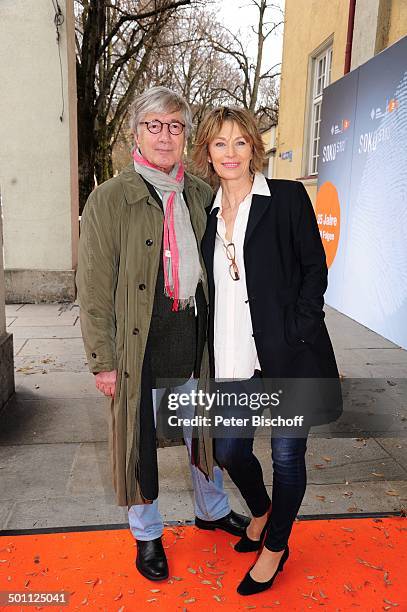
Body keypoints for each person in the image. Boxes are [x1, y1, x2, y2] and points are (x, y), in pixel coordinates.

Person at [76, 88, 249, 583]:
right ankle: (147, 533)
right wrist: (102, 360)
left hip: (194, 343)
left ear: (185, 134)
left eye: (175, 126)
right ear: (136, 132)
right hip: (138, 349)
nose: (165, 135)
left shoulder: (200, 192)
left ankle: (212, 511)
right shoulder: (110, 198)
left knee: (205, 438)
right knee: (138, 444)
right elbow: (91, 288)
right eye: (154, 125)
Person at [192, 106, 342, 596]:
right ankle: (260, 512)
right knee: (231, 450)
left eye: (240, 142)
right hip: (233, 356)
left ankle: (275, 548)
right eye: (220, 143)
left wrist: (299, 328)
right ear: (207, 153)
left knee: (286, 457)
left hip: (289, 356)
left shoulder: (287, 198)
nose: (230, 152)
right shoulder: (208, 214)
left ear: (254, 146)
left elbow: (314, 269)